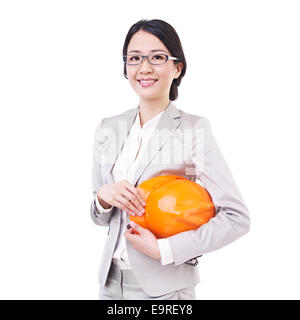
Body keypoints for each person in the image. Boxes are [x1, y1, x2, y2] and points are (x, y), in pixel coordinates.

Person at [90, 19, 250, 300]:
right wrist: (102, 198)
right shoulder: (108, 128)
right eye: (135, 58)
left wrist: (165, 250)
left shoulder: (194, 130)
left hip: (165, 288)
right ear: (125, 66)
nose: (145, 67)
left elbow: (236, 218)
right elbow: (102, 218)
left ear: (177, 67)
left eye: (158, 57)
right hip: (110, 283)